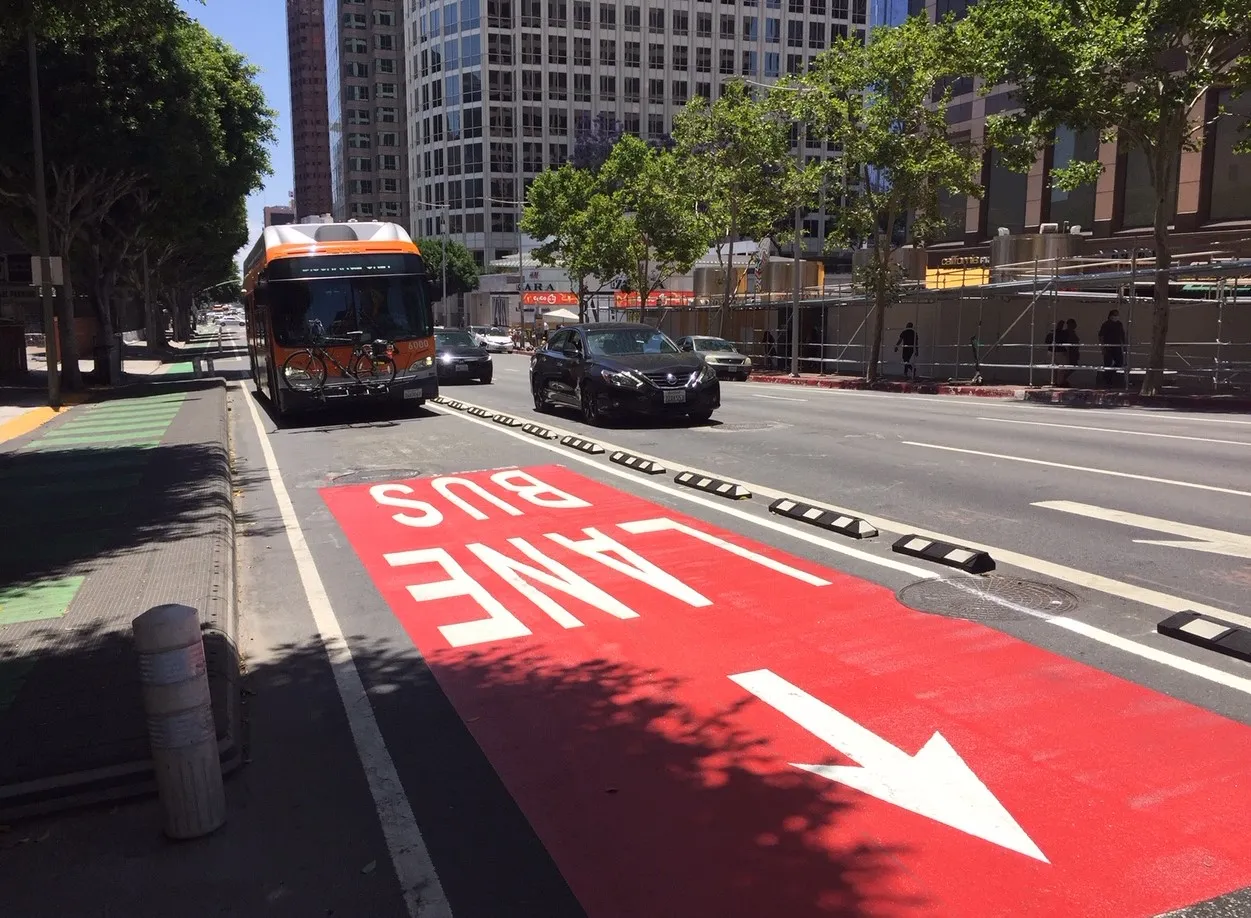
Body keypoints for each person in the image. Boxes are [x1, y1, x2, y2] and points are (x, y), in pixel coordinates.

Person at [1098, 309, 1126, 387]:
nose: (1116, 316)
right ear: (1110, 316)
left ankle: (1108, 376)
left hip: (1117, 347)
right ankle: (1107, 381)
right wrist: (1103, 347)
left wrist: (1124, 345)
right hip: (1108, 347)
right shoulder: (1106, 324)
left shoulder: (1119, 324)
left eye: (1117, 315)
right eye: (1114, 315)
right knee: (1107, 364)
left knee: (1119, 362)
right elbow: (1101, 336)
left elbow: (1122, 335)